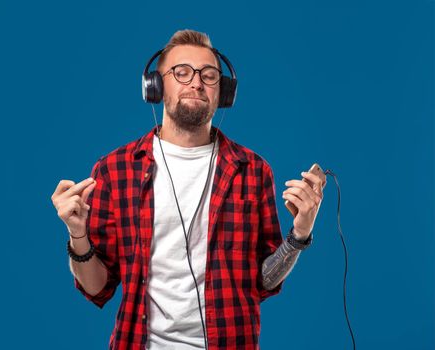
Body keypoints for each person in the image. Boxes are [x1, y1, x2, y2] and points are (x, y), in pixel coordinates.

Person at [51, 29, 326, 350]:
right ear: (156, 86)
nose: (196, 82)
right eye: (181, 73)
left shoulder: (252, 170)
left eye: (209, 76)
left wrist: (300, 233)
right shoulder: (115, 169)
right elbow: (97, 288)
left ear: (223, 92)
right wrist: (77, 234)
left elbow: (262, 281)